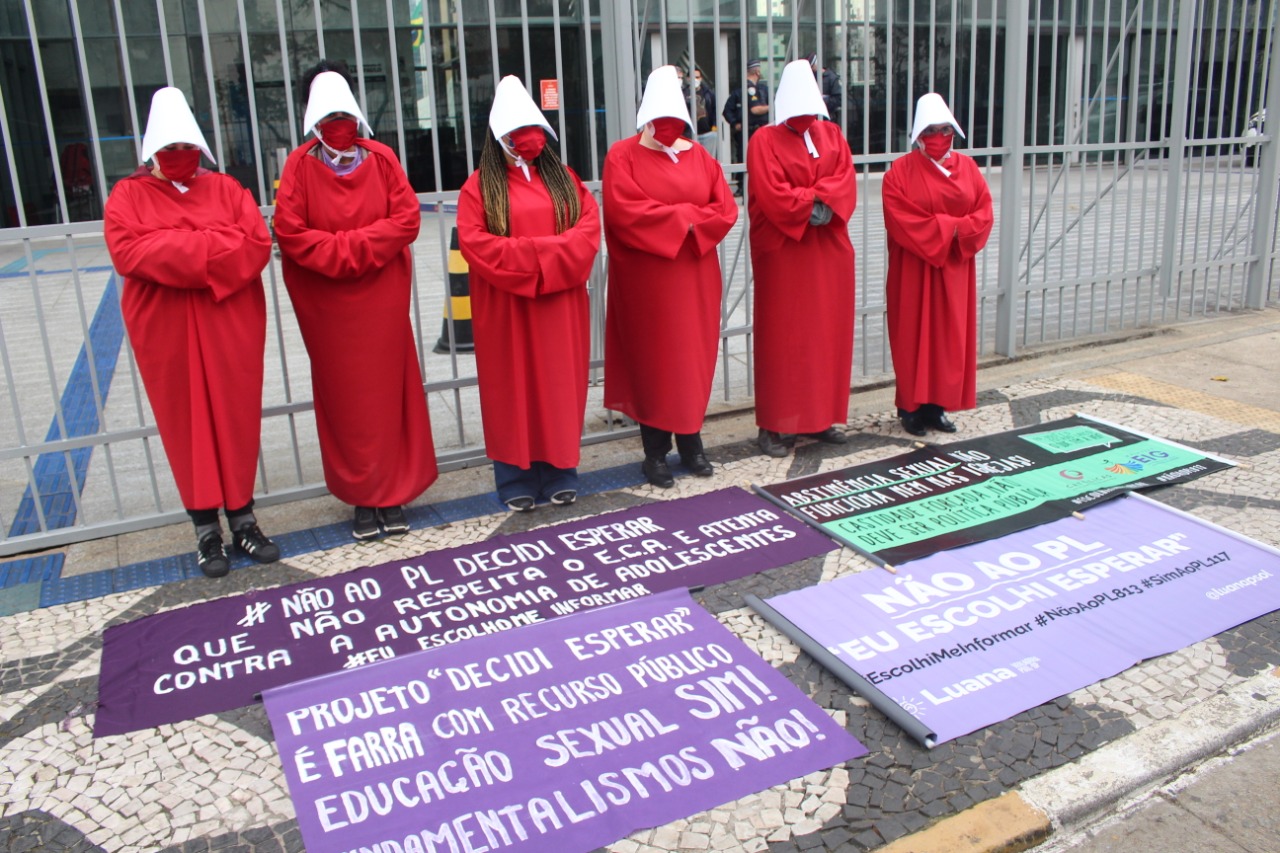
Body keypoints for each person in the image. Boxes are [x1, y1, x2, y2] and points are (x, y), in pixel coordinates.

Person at [103, 87, 279, 578]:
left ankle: (243, 517)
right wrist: (210, 245)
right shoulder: (128, 195)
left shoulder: (226, 188)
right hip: (166, 325)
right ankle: (205, 527)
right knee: (186, 418)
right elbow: (130, 254)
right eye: (170, 148)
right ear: (153, 152)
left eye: (187, 148)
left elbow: (254, 245)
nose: (180, 157)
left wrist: (176, 246)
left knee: (235, 412)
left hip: (229, 320)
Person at [274, 60, 438, 540]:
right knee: (346, 401)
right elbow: (290, 231)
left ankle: (392, 492)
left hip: (380, 303)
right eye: (329, 120)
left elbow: (407, 217)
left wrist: (346, 247)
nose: (339, 129)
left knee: (389, 394)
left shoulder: (382, 158)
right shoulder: (299, 165)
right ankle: (362, 498)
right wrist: (353, 250)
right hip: (330, 311)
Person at [456, 76, 600, 512]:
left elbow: (588, 230)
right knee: (510, 386)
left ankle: (560, 470)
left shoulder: (564, 179)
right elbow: (475, 243)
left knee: (558, 386)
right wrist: (544, 257)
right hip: (507, 306)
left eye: (534, 130)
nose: (530, 140)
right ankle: (514, 475)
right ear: (502, 137)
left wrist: (535, 259)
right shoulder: (479, 186)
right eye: (519, 133)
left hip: (559, 303)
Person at [603, 66, 738, 488]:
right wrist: (689, 219)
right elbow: (626, 212)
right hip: (649, 282)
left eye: (676, 123)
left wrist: (683, 222)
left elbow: (726, 208)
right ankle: (655, 452)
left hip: (696, 274)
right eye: (661, 122)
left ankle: (692, 443)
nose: (669, 130)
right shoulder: (621, 156)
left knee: (692, 360)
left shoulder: (700, 156)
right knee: (654, 363)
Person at [747, 59, 857, 458]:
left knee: (826, 334)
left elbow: (845, 178)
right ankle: (776, 423)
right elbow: (770, 191)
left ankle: (821, 416)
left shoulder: (832, 133)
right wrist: (813, 202)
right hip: (786, 252)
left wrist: (814, 200)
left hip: (826, 250)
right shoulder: (764, 140)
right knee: (784, 337)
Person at [882, 93, 994, 436]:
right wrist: (953, 227)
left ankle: (937, 406)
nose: (939, 136)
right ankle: (911, 408)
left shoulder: (969, 168)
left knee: (947, 338)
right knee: (913, 336)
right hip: (914, 268)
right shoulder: (899, 172)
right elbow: (900, 220)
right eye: (931, 129)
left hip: (954, 268)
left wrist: (954, 231)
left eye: (945, 129)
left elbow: (984, 213)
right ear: (918, 133)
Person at [722, 59, 770, 193]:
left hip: (760, 130)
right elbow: (754, 110)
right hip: (748, 131)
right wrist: (735, 123)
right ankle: (744, 187)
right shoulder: (743, 91)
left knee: (759, 159)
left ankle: (753, 187)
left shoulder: (763, 89)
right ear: (757, 71)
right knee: (746, 159)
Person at [807, 53, 843, 128]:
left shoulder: (831, 78)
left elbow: (839, 99)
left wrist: (822, 101)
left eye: (811, 67)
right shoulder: (809, 78)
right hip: (812, 122)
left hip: (827, 120)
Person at [690, 66, 718, 156]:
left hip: (708, 133)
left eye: (697, 77)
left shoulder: (709, 93)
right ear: (688, 78)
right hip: (691, 135)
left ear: (701, 78)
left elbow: (715, 110)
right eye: (692, 77)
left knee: (708, 159)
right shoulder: (683, 94)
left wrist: (714, 126)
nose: (695, 79)